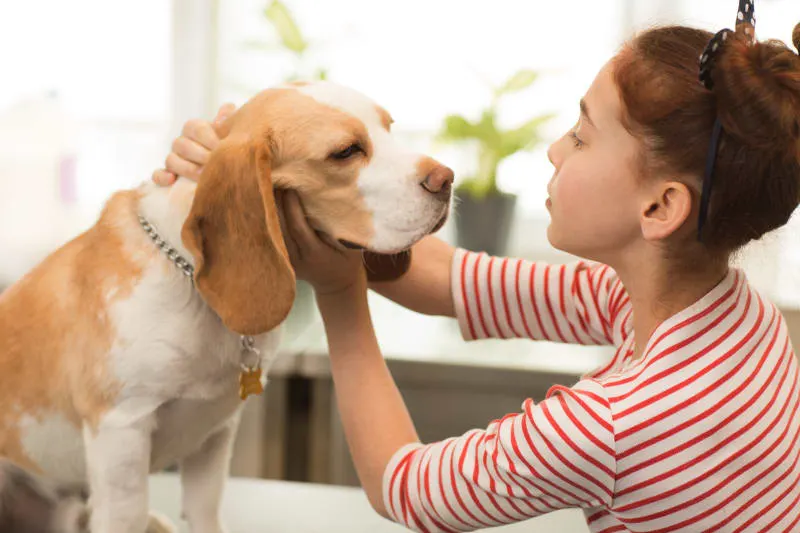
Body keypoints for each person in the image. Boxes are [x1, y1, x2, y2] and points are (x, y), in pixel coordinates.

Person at [153, 10, 800, 532]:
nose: (553, 148)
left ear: (660, 206)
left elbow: (404, 486)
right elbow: (450, 281)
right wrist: (261, 189)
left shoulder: (611, 423)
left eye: (581, 134)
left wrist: (339, 290)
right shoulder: (734, 317)